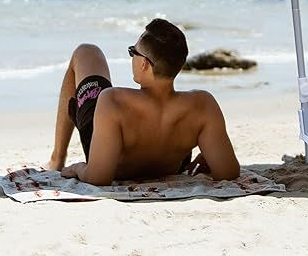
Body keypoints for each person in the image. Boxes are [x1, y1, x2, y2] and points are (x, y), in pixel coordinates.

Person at [45, 18, 240, 186]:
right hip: (169, 164)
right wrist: (210, 156)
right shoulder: (202, 104)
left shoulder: (112, 100)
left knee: (86, 51)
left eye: (133, 52)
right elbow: (228, 173)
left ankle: (57, 158)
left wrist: (78, 167)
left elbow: (98, 177)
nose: (132, 57)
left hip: (108, 159)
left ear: (144, 63)